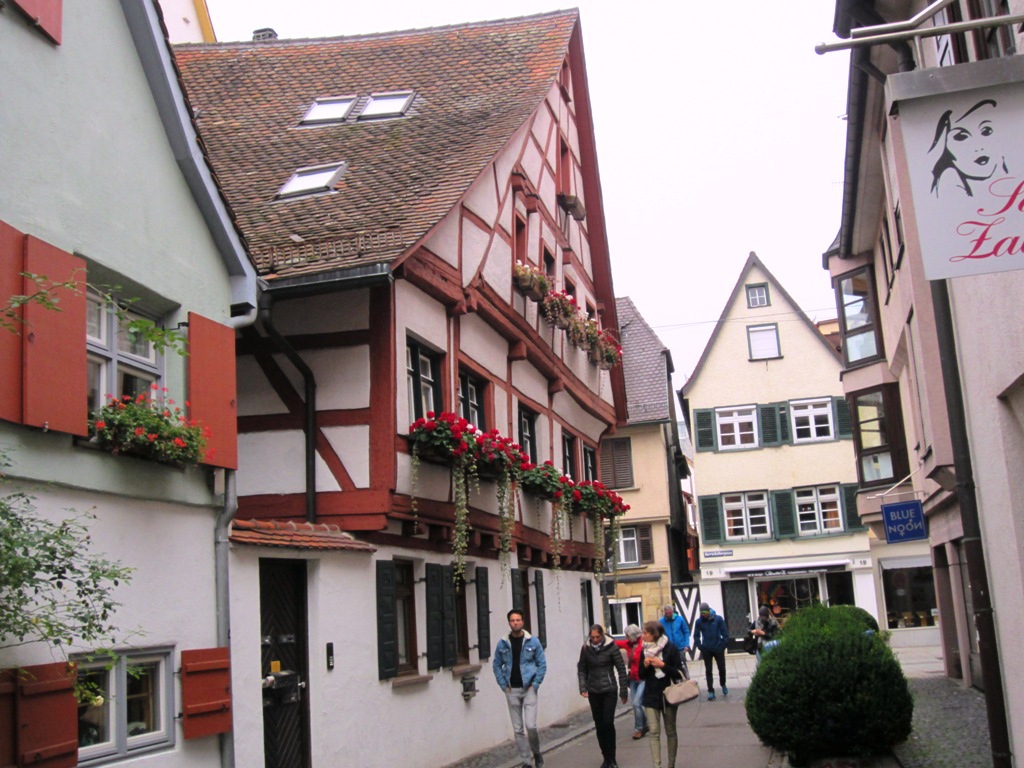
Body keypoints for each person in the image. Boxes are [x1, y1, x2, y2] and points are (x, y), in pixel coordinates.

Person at [493, 609, 547, 768]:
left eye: (518, 620)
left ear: (522, 622)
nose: (515, 623)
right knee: (518, 729)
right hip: (512, 690)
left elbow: (542, 664)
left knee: (530, 725)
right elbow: (496, 665)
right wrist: (504, 686)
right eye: (512, 620)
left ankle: (536, 752)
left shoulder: (533, 641)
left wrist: (535, 684)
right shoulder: (503, 643)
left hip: (529, 688)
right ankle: (526, 761)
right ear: (509, 623)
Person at [929, 97, 1008, 198]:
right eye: (961, 137)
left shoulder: (1003, 161)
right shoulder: (950, 180)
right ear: (945, 145)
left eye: (986, 131)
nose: (979, 146)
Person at [577, 623, 628, 768]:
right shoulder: (586, 649)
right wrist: (583, 686)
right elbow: (582, 668)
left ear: (602, 635)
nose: (595, 640)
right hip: (594, 690)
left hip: (609, 690)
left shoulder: (611, 647)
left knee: (608, 723)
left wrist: (623, 691)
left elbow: (621, 669)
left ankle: (612, 758)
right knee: (599, 725)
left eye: (597, 637)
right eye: (592, 637)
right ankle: (605, 757)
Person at [640, 621, 685, 768]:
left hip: (669, 694)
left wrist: (662, 665)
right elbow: (641, 675)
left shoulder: (670, 648)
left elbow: (679, 673)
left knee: (670, 731)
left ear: (654, 634)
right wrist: (646, 666)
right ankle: (656, 765)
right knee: (653, 731)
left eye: (645, 633)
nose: (643, 636)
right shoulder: (644, 650)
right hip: (650, 695)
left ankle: (671, 764)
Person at [614, 624, 648, 739]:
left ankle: (638, 728)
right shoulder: (629, 644)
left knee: (636, 703)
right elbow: (616, 643)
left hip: (643, 678)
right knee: (636, 704)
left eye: (627, 635)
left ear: (633, 635)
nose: (626, 637)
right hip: (633, 679)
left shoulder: (644, 644)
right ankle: (645, 724)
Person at [693, 602, 729, 701]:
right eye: (701, 613)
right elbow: (696, 636)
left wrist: (723, 645)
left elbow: (725, 633)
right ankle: (711, 691)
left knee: (722, 668)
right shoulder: (699, 622)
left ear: (708, 611)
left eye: (704, 613)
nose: (703, 615)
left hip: (718, 648)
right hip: (706, 649)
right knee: (708, 670)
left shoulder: (718, 619)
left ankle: (723, 683)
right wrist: (700, 646)